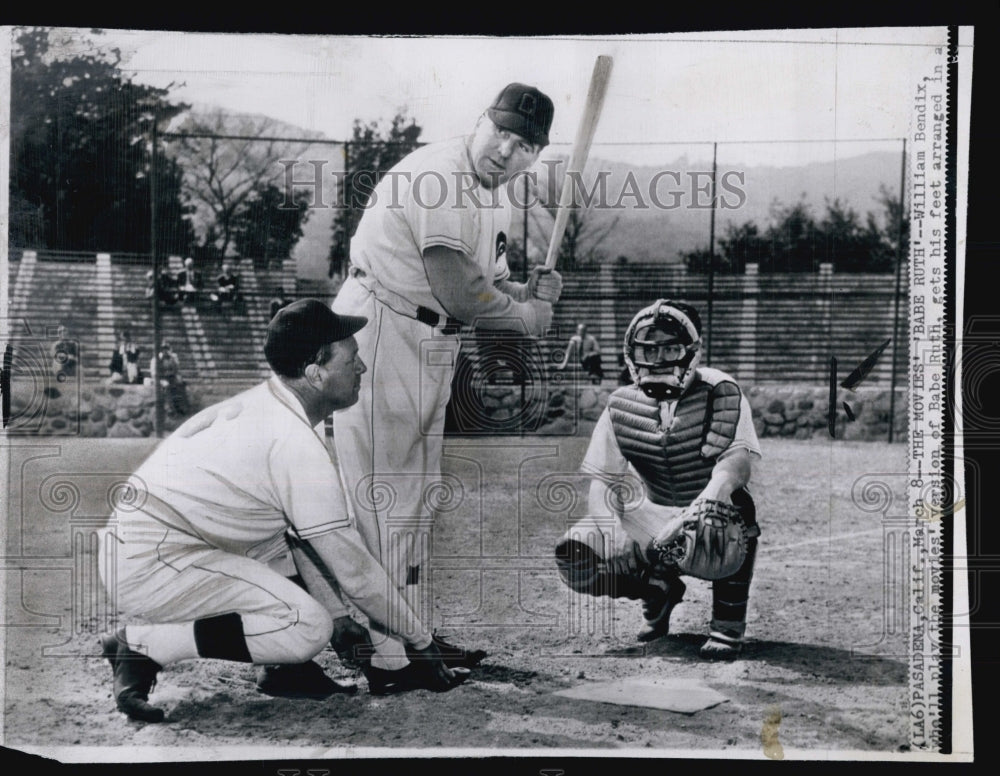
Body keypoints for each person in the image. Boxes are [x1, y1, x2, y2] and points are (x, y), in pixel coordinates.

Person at [97, 299, 470, 723]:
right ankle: (144, 645)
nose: (362, 367)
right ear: (316, 373)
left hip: (154, 543)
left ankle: (281, 667)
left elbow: (284, 537)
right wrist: (420, 643)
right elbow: (357, 574)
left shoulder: (267, 404)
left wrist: (340, 616)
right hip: (153, 562)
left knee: (310, 609)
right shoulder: (294, 443)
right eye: (352, 358)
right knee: (307, 627)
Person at [330, 82, 563, 676]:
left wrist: (530, 295)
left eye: (525, 146)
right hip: (381, 326)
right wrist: (524, 317)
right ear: (482, 120)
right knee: (382, 497)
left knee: (414, 498)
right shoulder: (441, 175)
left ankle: (411, 635)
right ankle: (386, 654)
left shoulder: (495, 195)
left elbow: (487, 284)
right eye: (502, 134)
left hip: (431, 338)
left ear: (537, 156)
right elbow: (456, 286)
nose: (508, 151)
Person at [554, 300, 762, 659]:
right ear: (632, 351)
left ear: (691, 350)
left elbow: (736, 465)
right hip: (651, 513)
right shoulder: (621, 403)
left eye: (669, 348)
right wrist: (610, 531)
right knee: (574, 555)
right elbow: (603, 480)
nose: (658, 358)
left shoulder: (721, 391)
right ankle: (656, 590)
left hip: (703, 513)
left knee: (728, 519)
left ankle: (727, 623)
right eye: (649, 349)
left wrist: (699, 509)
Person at [149, 341, 189, 415]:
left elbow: (176, 369)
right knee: (166, 386)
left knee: (180, 384)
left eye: (166, 348)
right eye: (163, 349)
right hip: (160, 378)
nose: (165, 351)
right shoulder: (156, 359)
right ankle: (169, 408)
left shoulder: (172, 357)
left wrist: (173, 359)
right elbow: (154, 373)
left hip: (171, 377)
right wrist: (160, 378)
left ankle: (181, 407)